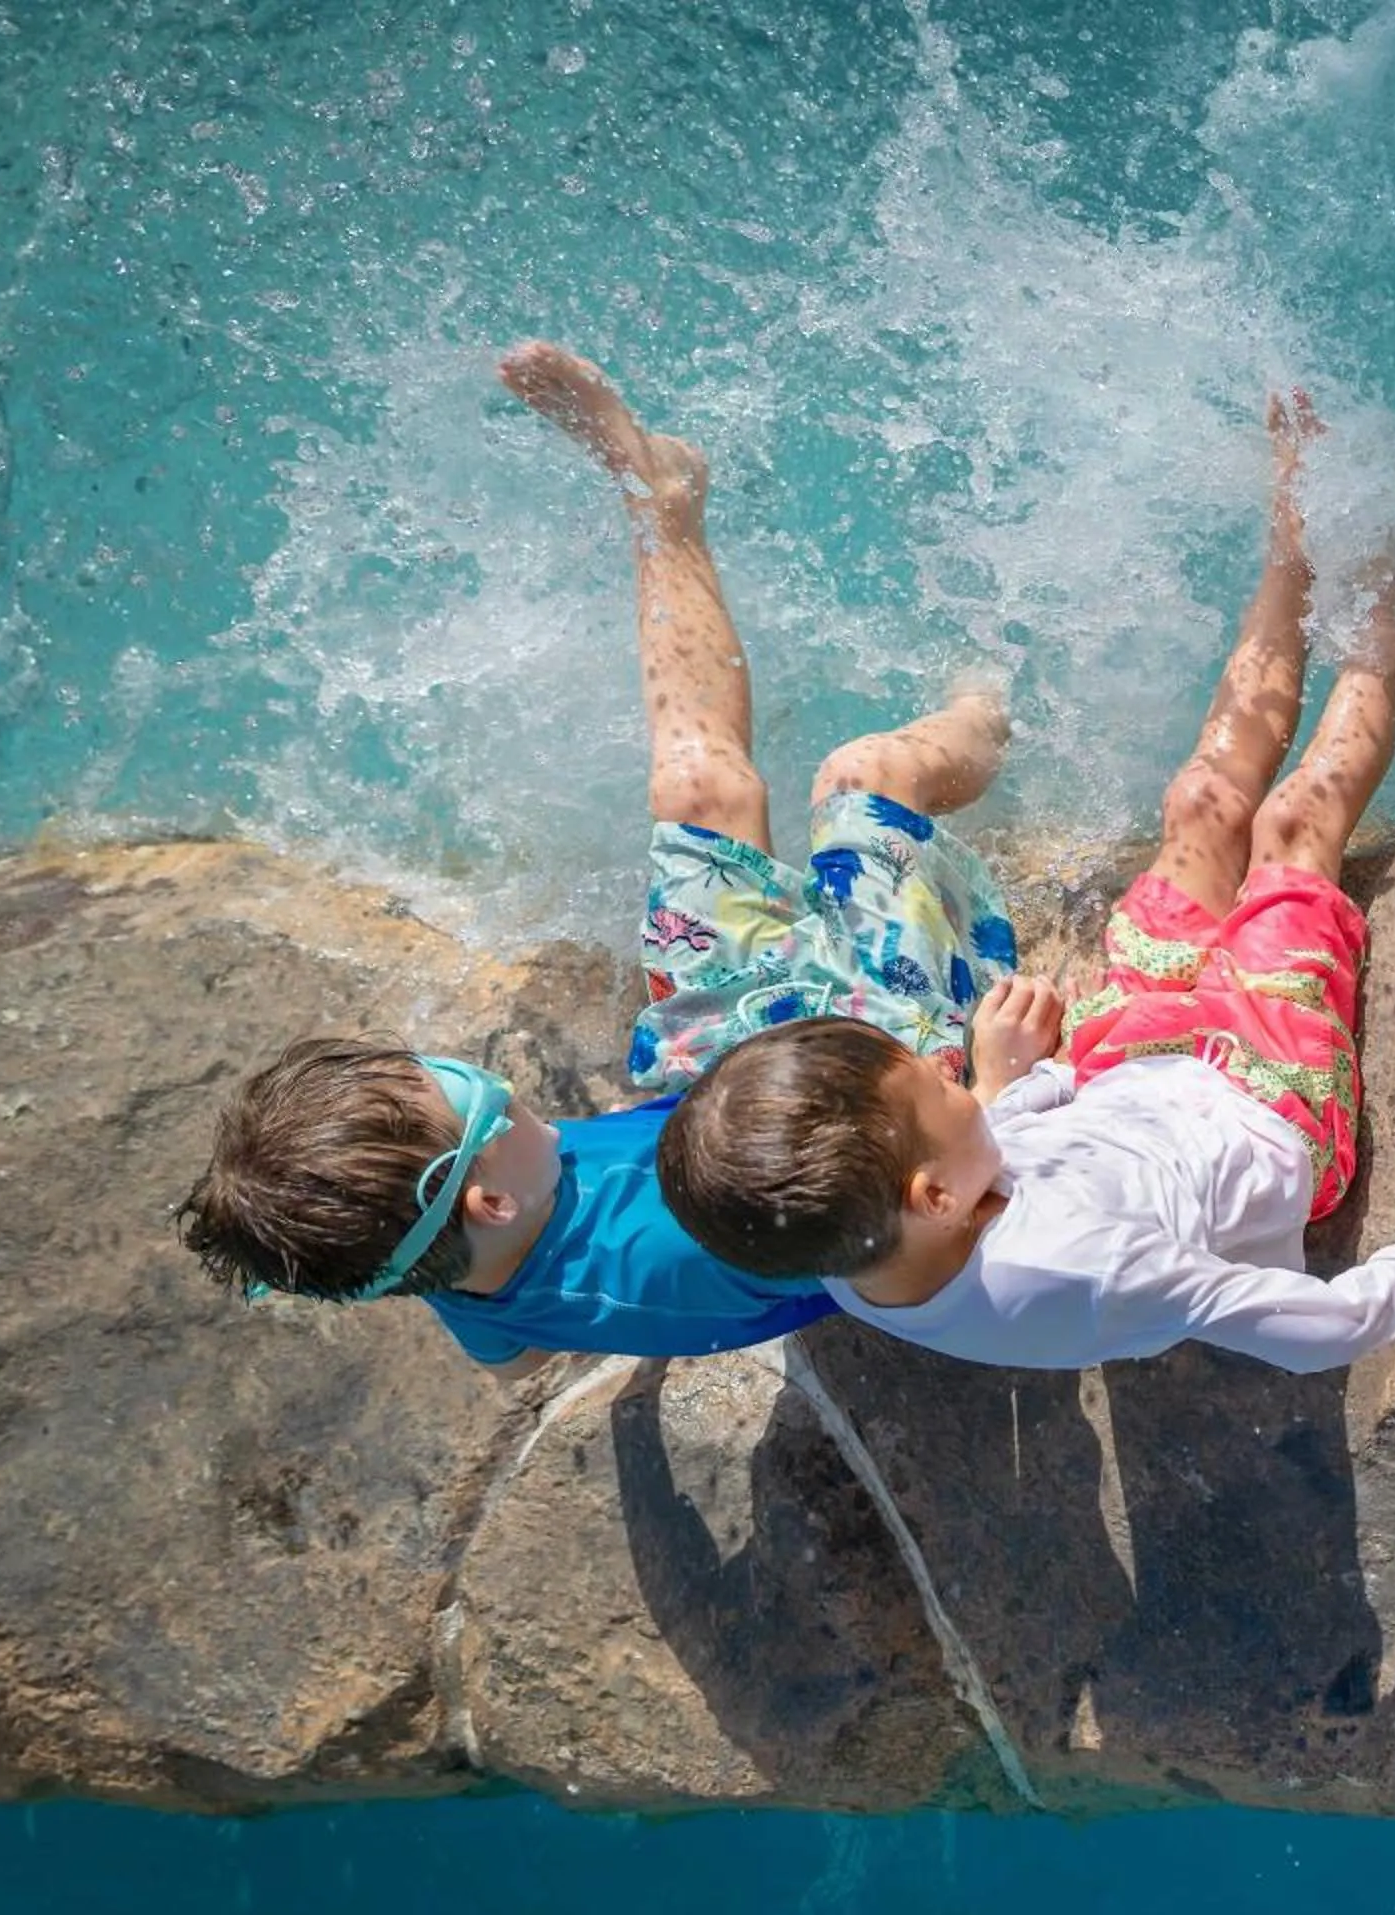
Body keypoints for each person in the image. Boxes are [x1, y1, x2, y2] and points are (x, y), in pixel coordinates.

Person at [175, 344, 1027, 1375]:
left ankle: (661, 504)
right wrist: (991, 1086)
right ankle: (994, 704)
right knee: (866, 776)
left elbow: (514, 1352)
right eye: (479, 1096)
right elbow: (913, 1228)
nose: (494, 1078)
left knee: (698, 792)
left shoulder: (461, 1274)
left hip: (713, 1075)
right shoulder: (673, 1252)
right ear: (486, 1198)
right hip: (849, 1102)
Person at [655, 395, 1395, 1373]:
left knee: (1203, 801)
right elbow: (1336, 1329)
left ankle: (1292, 537)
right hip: (1263, 1099)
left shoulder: (865, 1251)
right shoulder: (1088, 1271)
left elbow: (979, 1182)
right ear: (931, 1194)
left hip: (1123, 1062)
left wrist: (1009, 1086)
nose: (943, 1065)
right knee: (1293, 825)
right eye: (939, 1091)